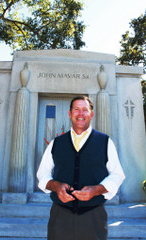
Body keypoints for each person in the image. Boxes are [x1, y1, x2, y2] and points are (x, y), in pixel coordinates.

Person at [37, 95, 125, 240]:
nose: (81, 113)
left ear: (91, 114)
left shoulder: (105, 142)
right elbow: (42, 175)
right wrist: (56, 186)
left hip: (93, 217)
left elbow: (117, 175)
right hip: (60, 217)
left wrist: (96, 190)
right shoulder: (56, 143)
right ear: (70, 114)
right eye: (76, 109)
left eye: (85, 109)